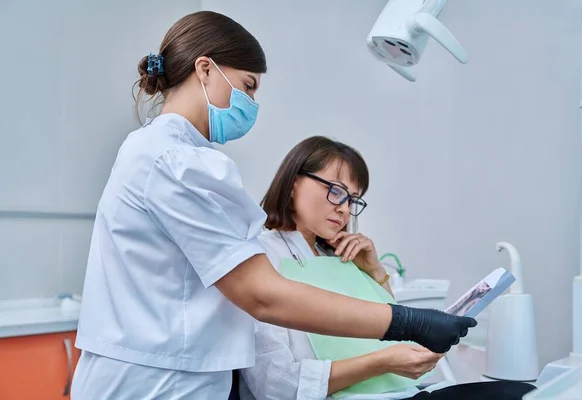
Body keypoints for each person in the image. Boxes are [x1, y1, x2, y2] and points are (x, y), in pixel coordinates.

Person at [70, 11, 477, 400]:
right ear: (205, 69)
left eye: (352, 199)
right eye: (248, 86)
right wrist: (409, 322)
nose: (251, 103)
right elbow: (263, 296)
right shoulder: (174, 161)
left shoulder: (162, 152)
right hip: (152, 383)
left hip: (171, 376)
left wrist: (381, 281)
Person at [239, 136, 536, 400]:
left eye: (353, 199)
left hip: (395, 391)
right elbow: (274, 386)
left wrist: (375, 272)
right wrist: (383, 362)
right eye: (336, 191)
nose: (344, 208)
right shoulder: (262, 258)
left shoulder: (338, 256)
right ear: (293, 185)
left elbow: (393, 330)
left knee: (524, 392)